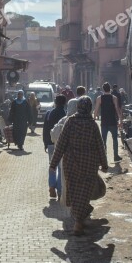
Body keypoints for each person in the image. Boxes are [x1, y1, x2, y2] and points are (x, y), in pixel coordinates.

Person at [50, 96, 108, 235]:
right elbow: (100, 146)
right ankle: (79, 221)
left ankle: (78, 222)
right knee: (83, 193)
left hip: (71, 165)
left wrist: (53, 164)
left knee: (75, 192)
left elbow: (61, 144)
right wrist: (104, 164)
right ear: (89, 108)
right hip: (89, 165)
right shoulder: (92, 124)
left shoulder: (70, 122)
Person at [43, 94, 67, 198]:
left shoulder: (49, 113)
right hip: (61, 145)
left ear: (55, 102)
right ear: (64, 103)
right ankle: (60, 189)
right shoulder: (65, 115)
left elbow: (45, 129)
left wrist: (45, 142)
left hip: (50, 143)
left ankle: (51, 186)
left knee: (52, 166)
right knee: (61, 167)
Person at [94, 82, 123, 162]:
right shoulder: (114, 98)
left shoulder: (99, 98)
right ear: (109, 88)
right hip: (113, 122)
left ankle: (103, 158)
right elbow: (117, 110)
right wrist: (120, 120)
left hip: (104, 122)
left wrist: (94, 120)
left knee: (103, 141)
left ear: (103, 89)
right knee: (115, 140)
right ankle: (116, 156)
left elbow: (96, 110)